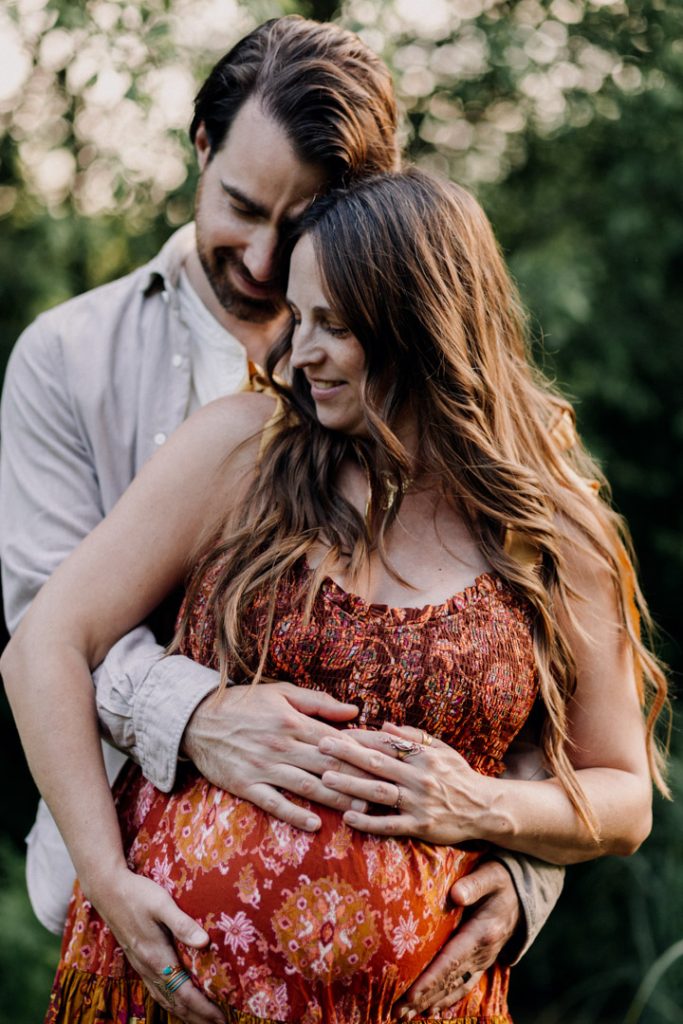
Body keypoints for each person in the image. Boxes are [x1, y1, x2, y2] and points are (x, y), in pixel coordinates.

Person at [1, 169, 668, 1024]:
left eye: (333, 326)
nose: (294, 353)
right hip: (161, 993)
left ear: (423, 328)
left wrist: (482, 805)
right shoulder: (242, 451)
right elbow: (42, 646)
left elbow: (622, 798)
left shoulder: (548, 527)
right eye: (298, 317)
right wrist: (110, 883)